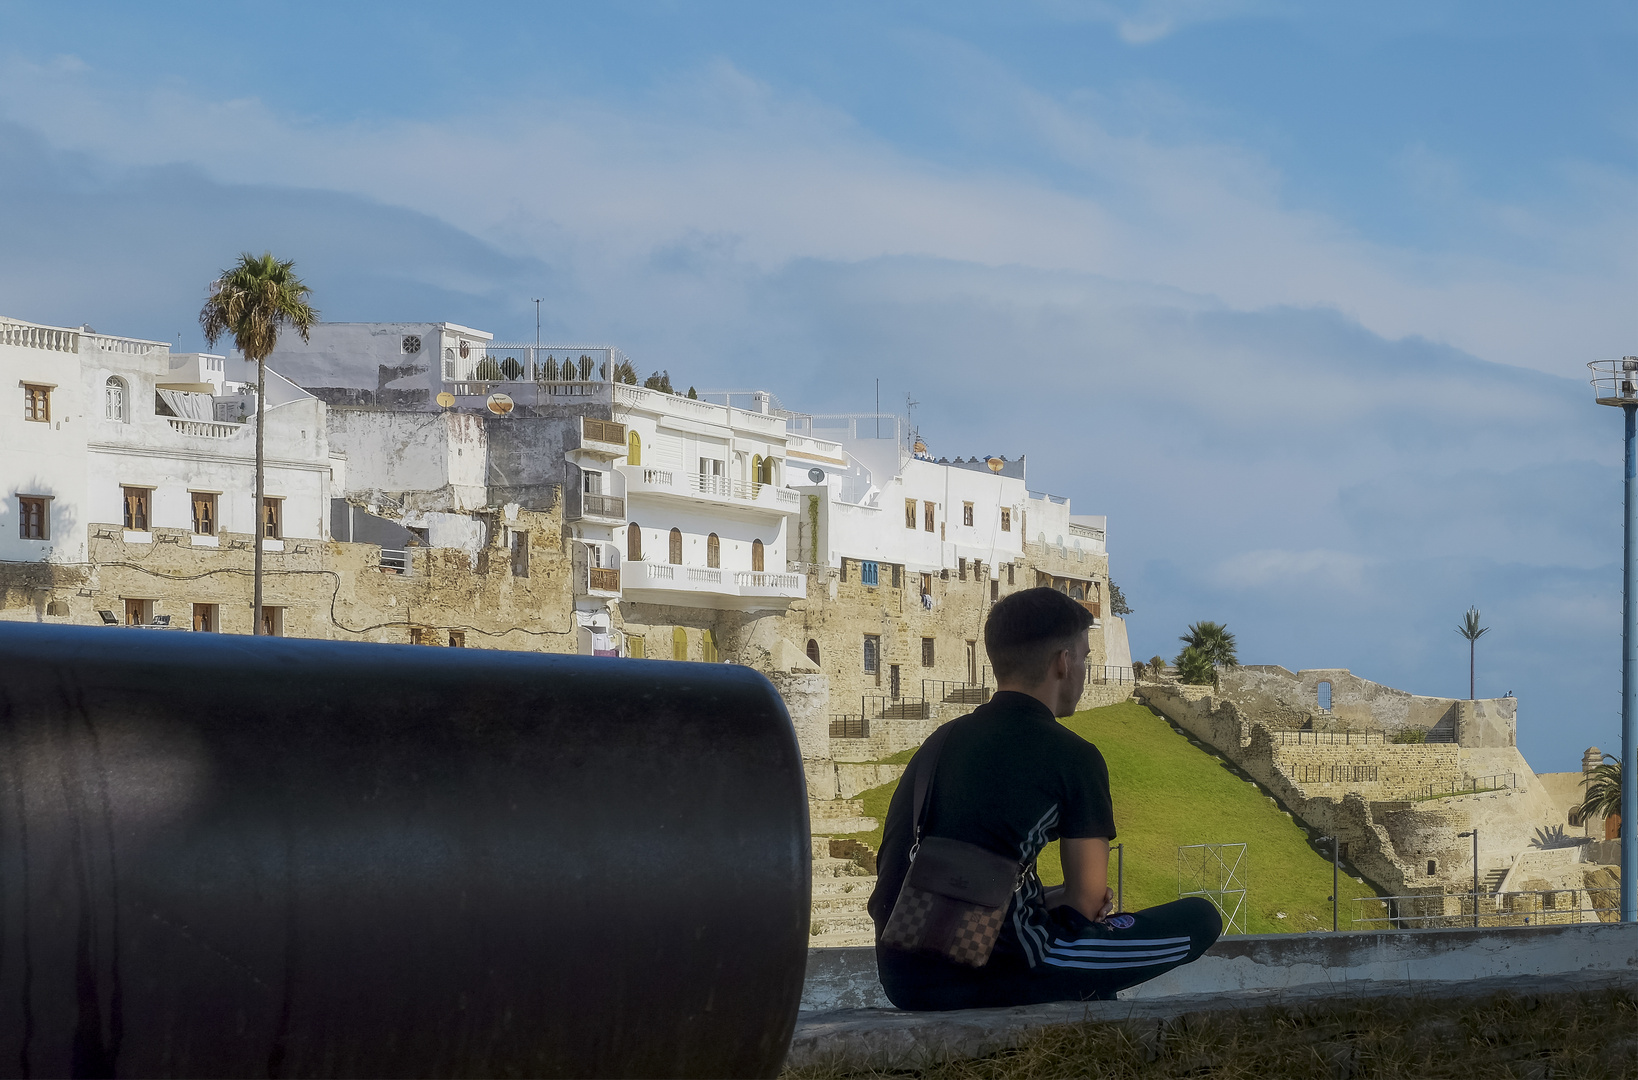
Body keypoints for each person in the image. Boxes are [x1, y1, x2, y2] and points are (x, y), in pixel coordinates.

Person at [868, 587, 1221, 1010]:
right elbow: (1087, 903)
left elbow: (938, 876)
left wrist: (1045, 897)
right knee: (1201, 918)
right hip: (1001, 973)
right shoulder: (1073, 757)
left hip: (904, 976)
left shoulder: (939, 743)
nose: (1085, 670)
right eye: (1086, 658)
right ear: (1063, 662)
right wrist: (1074, 900)